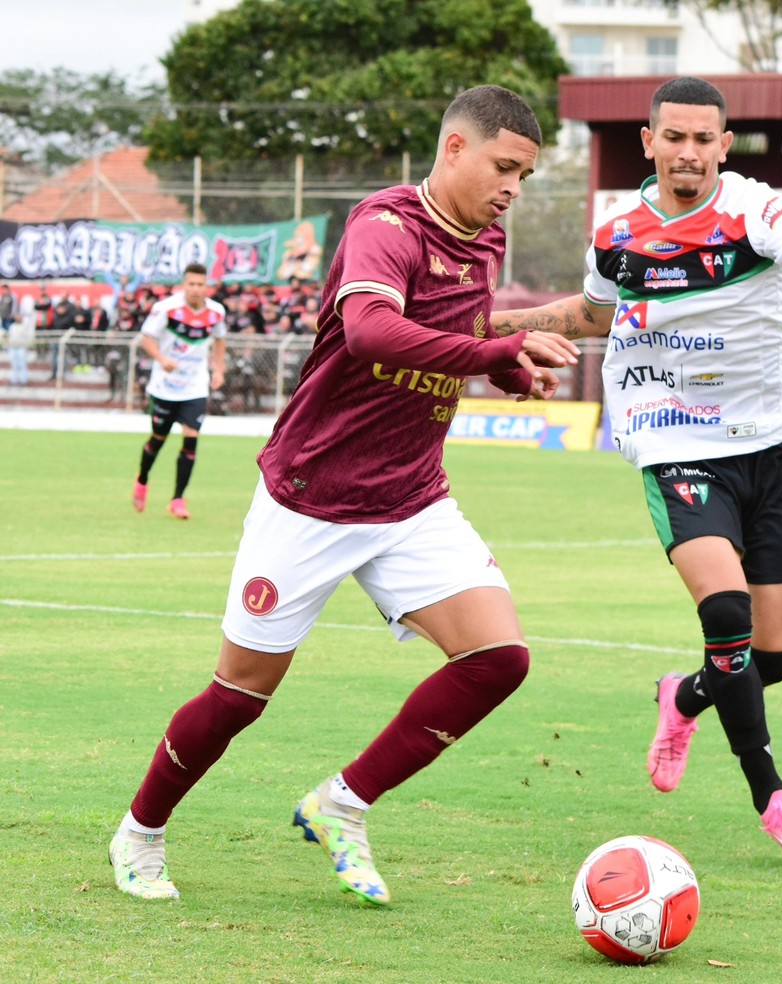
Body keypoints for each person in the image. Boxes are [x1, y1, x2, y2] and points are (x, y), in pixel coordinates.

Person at [109, 84, 580, 903]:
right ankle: (140, 832)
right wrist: (490, 353)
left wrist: (502, 358)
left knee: (498, 657)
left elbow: (455, 338)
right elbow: (369, 333)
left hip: (411, 501)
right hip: (310, 498)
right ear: (455, 149)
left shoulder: (487, 240)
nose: (512, 187)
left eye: (525, 176)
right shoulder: (385, 226)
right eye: (504, 167)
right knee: (238, 698)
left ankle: (343, 804)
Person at [493, 76, 782, 860]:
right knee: (725, 614)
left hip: (769, 448)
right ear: (650, 143)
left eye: (705, 140)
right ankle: (773, 799)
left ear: (724, 148)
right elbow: (592, 316)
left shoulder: (757, 210)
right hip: (673, 440)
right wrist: (490, 322)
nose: (690, 153)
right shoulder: (619, 233)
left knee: (774, 657)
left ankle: (685, 694)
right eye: (675, 138)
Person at [131, 262, 227, 520]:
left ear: (206, 286)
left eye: (200, 284)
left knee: (191, 438)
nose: (196, 289)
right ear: (184, 285)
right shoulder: (166, 309)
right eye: (191, 284)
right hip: (165, 386)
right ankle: (142, 480)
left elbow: (219, 339)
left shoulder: (216, 311)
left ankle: (177, 499)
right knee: (158, 439)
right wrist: (162, 360)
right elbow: (146, 338)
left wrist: (218, 370)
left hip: (195, 386)